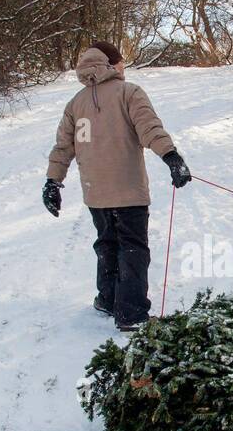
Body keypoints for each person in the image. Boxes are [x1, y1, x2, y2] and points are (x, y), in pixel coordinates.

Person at [42, 41, 191, 331]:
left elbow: (63, 147)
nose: (124, 67)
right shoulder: (129, 92)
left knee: (107, 244)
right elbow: (150, 129)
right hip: (128, 191)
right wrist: (172, 156)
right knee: (132, 248)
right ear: (111, 64)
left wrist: (52, 181)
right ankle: (131, 314)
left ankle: (108, 299)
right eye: (121, 61)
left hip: (95, 193)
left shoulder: (75, 103)